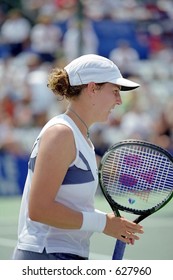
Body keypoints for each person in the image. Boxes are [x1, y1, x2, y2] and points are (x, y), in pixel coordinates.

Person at [12, 54, 143, 260]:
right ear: (92, 88)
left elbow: (72, 208)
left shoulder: (80, 137)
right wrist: (103, 224)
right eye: (115, 91)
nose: (119, 101)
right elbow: (39, 210)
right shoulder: (62, 134)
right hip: (46, 257)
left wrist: (108, 222)